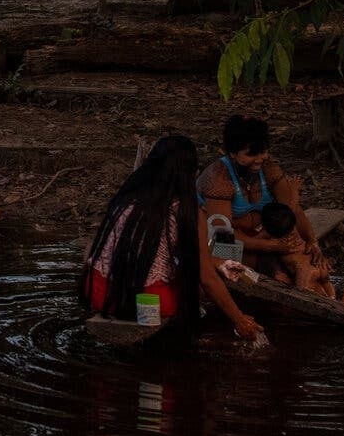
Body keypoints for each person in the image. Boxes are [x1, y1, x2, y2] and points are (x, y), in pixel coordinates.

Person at [83, 134, 264, 339]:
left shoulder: (125, 198)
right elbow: (206, 277)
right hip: (150, 302)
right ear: (189, 173)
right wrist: (238, 319)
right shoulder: (185, 208)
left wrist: (214, 261)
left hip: (99, 293)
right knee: (195, 285)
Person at [198, 114, 335, 289]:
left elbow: (295, 211)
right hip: (224, 245)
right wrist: (271, 246)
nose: (260, 159)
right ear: (232, 153)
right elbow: (224, 236)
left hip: (264, 239)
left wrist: (312, 241)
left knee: (308, 267)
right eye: (251, 154)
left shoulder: (268, 169)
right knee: (275, 276)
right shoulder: (218, 179)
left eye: (263, 152)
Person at [258, 203, 344, 303]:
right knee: (326, 283)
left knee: (303, 299)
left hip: (304, 271)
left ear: (266, 227)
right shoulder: (295, 231)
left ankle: (327, 305)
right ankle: (334, 299)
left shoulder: (271, 236)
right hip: (319, 264)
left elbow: (256, 241)